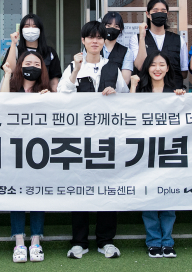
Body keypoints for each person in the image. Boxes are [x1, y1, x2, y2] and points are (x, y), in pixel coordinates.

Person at [59, 21, 127, 260]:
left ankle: (106, 241)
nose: (95, 41)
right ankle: (79, 242)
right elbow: (61, 96)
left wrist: (115, 95)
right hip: (79, 140)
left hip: (107, 139)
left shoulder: (113, 68)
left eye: (99, 37)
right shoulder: (73, 66)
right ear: (83, 41)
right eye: (91, 37)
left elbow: (127, 100)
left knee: (108, 190)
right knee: (80, 189)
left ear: (103, 41)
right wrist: (76, 71)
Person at [130, 50, 185, 258]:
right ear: (147, 68)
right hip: (145, 153)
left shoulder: (175, 92)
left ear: (168, 68)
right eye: (153, 64)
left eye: (162, 64)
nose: (157, 68)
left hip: (169, 153)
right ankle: (153, 241)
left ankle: (167, 241)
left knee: (169, 199)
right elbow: (128, 111)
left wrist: (181, 98)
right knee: (149, 199)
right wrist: (133, 86)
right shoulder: (141, 91)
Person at [0, 51, 50, 262]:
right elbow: (0, 102)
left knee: (38, 194)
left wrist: (49, 99)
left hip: (39, 153)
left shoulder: (46, 90)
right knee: (17, 194)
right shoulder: (11, 86)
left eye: (36, 64)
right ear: (20, 65)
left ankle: (36, 240)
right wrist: (7, 75)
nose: (32, 66)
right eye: (28, 62)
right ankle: (19, 241)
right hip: (14, 151)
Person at [134, 0, 188, 90]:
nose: (159, 13)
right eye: (155, 11)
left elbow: (184, 72)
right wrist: (142, 37)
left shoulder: (178, 39)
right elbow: (140, 66)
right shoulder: (136, 39)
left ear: (167, 14)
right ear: (148, 14)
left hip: (173, 91)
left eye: (163, 11)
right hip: (147, 91)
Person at [1, 14, 62, 91]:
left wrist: (52, 96)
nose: (31, 29)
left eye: (34, 26)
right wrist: (13, 43)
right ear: (21, 30)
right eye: (27, 26)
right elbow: (9, 70)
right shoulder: (15, 50)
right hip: (17, 93)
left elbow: (54, 82)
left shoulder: (49, 52)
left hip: (42, 94)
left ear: (40, 31)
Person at [101, 12, 134, 87]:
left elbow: (125, 81)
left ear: (121, 29)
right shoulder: (93, 48)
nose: (112, 29)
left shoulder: (126, 52)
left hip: (116, 92)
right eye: (108, 25)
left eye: (116, 26)